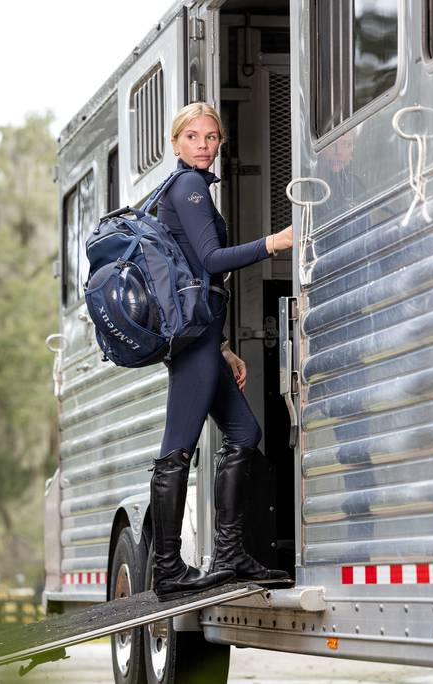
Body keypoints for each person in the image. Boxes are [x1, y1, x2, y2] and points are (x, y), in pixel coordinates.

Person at [150, 102, 293, 601]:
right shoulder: (188, 185)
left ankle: (229, 554)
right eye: (192, 136)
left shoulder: (190, 188)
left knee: (245, 433)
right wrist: (274, 242)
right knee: (177, 449)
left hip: (206, 337)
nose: (204, 145)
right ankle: (168, 570)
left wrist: (226, 346)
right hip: (194, 342)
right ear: (175, 143)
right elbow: (211, 260)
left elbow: (197, 273)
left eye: (211, 137)